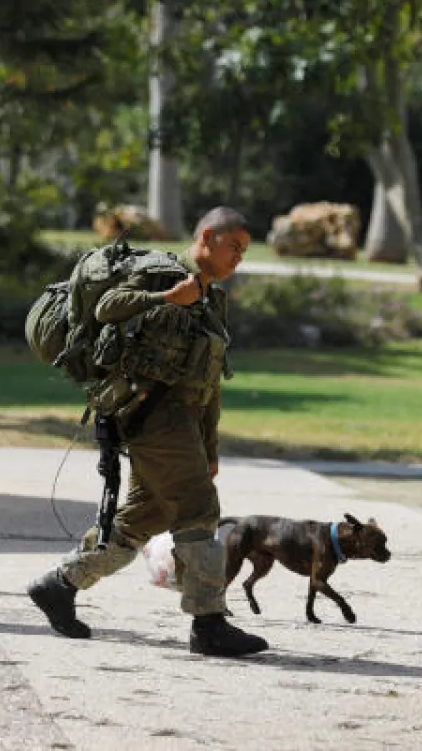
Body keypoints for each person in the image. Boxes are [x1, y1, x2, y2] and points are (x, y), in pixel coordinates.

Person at [27, 207, 269, 658]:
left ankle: (59, 585)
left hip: (180, 420)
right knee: (198, 509)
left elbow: (209, 381)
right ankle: (209, 623)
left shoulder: (213, 298)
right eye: (233, 246)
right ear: (207, 238)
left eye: (243, 251)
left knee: (145, 517)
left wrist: (209, 445)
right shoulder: (164, 273)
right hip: (151, 413)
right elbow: (106, 307)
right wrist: (164, 300)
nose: (239, 258)